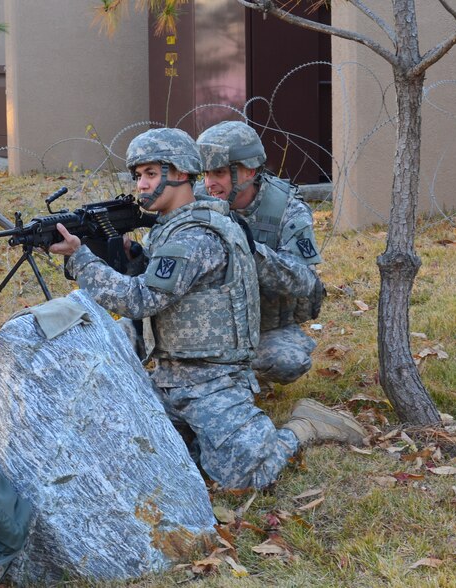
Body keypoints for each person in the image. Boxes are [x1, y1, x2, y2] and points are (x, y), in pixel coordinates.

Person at [49, 127, 364, 490]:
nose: (141, 186)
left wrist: (81, 260)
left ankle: (306, 424)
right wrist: (128, 257)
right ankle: (206, 436)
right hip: (170, 372)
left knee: (245, 477)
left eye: (151, 174)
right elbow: (155, 281)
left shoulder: (198, 233)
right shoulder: (175, 222)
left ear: (180, 173)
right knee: (139, 457)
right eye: (138, 176)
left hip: (214, 376)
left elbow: (140, 299)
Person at [196, 120, 325, 386]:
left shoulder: (287, 208)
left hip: (262, 327)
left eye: (218, 173)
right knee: (128, 329)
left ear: (249, 171)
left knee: (287, 361)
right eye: (205, 174)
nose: (209, 184)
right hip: (200, 323)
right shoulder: (193, 201)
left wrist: (248, 249)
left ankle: (233, 374)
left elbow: (304, 280)